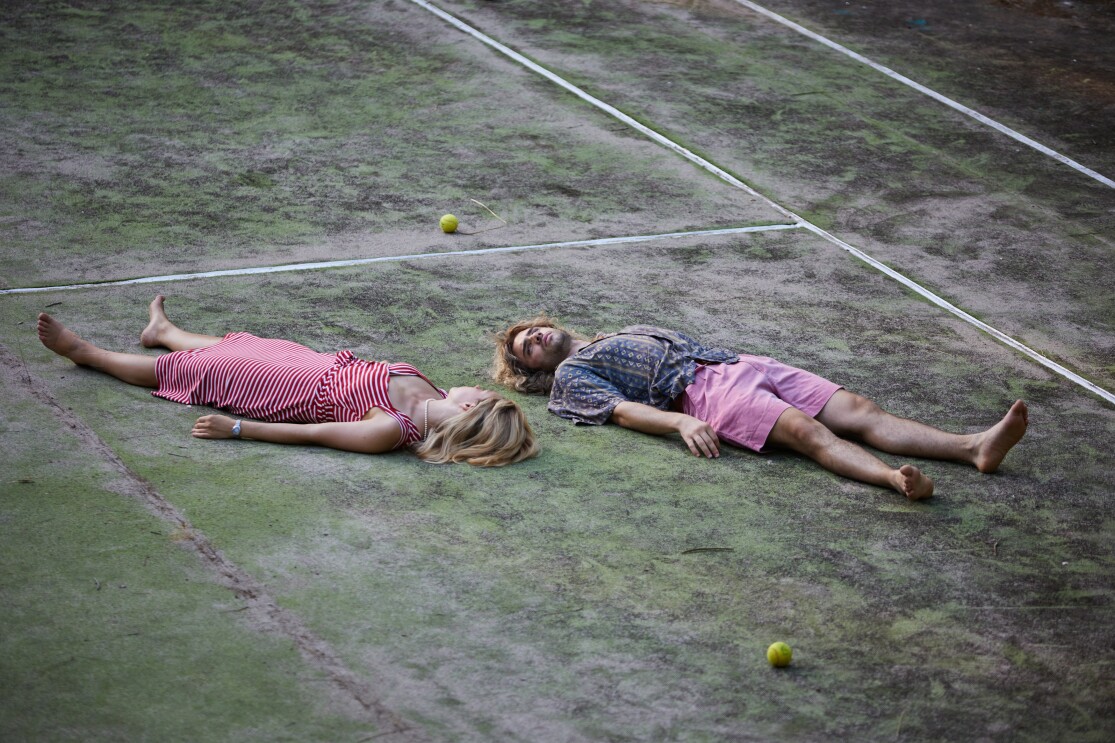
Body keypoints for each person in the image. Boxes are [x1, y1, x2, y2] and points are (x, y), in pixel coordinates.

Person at [493, 316, 1029, 499]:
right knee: (807, 433)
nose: (536, 337)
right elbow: (621, 412)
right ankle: (895, 480)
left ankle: (972, 446)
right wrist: (681, 420)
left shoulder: (611, 333)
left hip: (734, 363)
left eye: (532, 331)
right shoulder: (570, 377)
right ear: (534, 371)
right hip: (704, 394)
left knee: (860, 410)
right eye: (528, 348)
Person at [37, 296, 538, 467]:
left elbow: (314, 433)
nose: (480, 387)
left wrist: (238, 428)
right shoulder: (428, 389)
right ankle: (165, 331)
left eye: (485, 394)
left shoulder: (393, 430)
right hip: (306, 363)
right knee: (238, 344)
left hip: (277, 390)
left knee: (197, 369)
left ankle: (90, 354)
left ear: (470, 412)